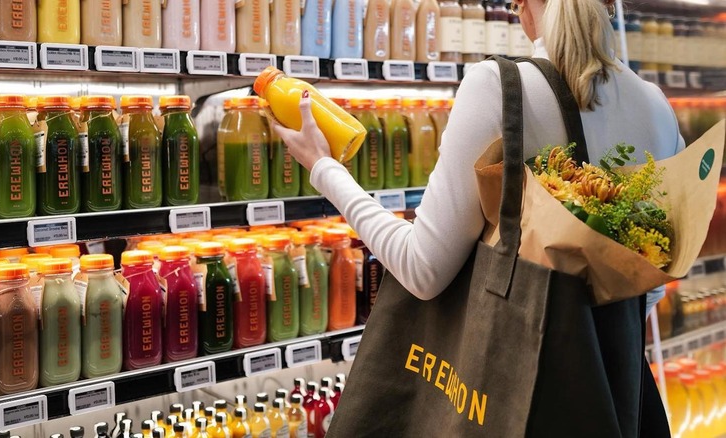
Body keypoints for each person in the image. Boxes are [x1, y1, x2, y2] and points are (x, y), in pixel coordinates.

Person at [272, 0, 683, 310]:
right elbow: (652, 283)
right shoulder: (657, 107)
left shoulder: (500, 86)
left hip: (518, 397)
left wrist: (324, 167)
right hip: (619, 399)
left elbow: (422, 270)